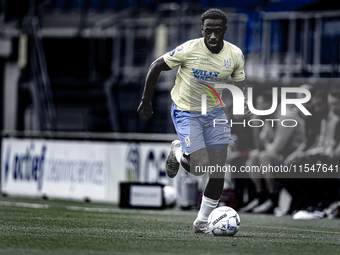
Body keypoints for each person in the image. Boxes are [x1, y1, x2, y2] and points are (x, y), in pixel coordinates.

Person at [137, 9, 248, 234]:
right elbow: (156, 65)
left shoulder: (235, 54)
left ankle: (201, 222)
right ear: (202, 30)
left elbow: (240, 85)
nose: (213, 36)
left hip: (215, 113)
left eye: (218, 31)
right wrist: (145, 100)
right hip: (186, 110)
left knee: (218, 170)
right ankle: (178, 151)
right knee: (199, 167)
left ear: (225, 30)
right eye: (209, 31)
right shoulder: (189, 49)